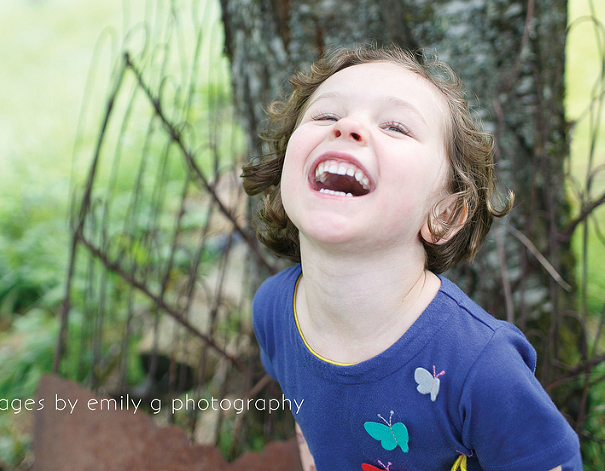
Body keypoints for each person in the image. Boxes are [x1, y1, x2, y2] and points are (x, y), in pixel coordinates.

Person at [242, 45, 582, 471]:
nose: (347, 126)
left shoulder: (481, 365)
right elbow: (308, 420)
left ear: (444, 215)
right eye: (326, 116)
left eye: (396, 126)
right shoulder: (274, 310)